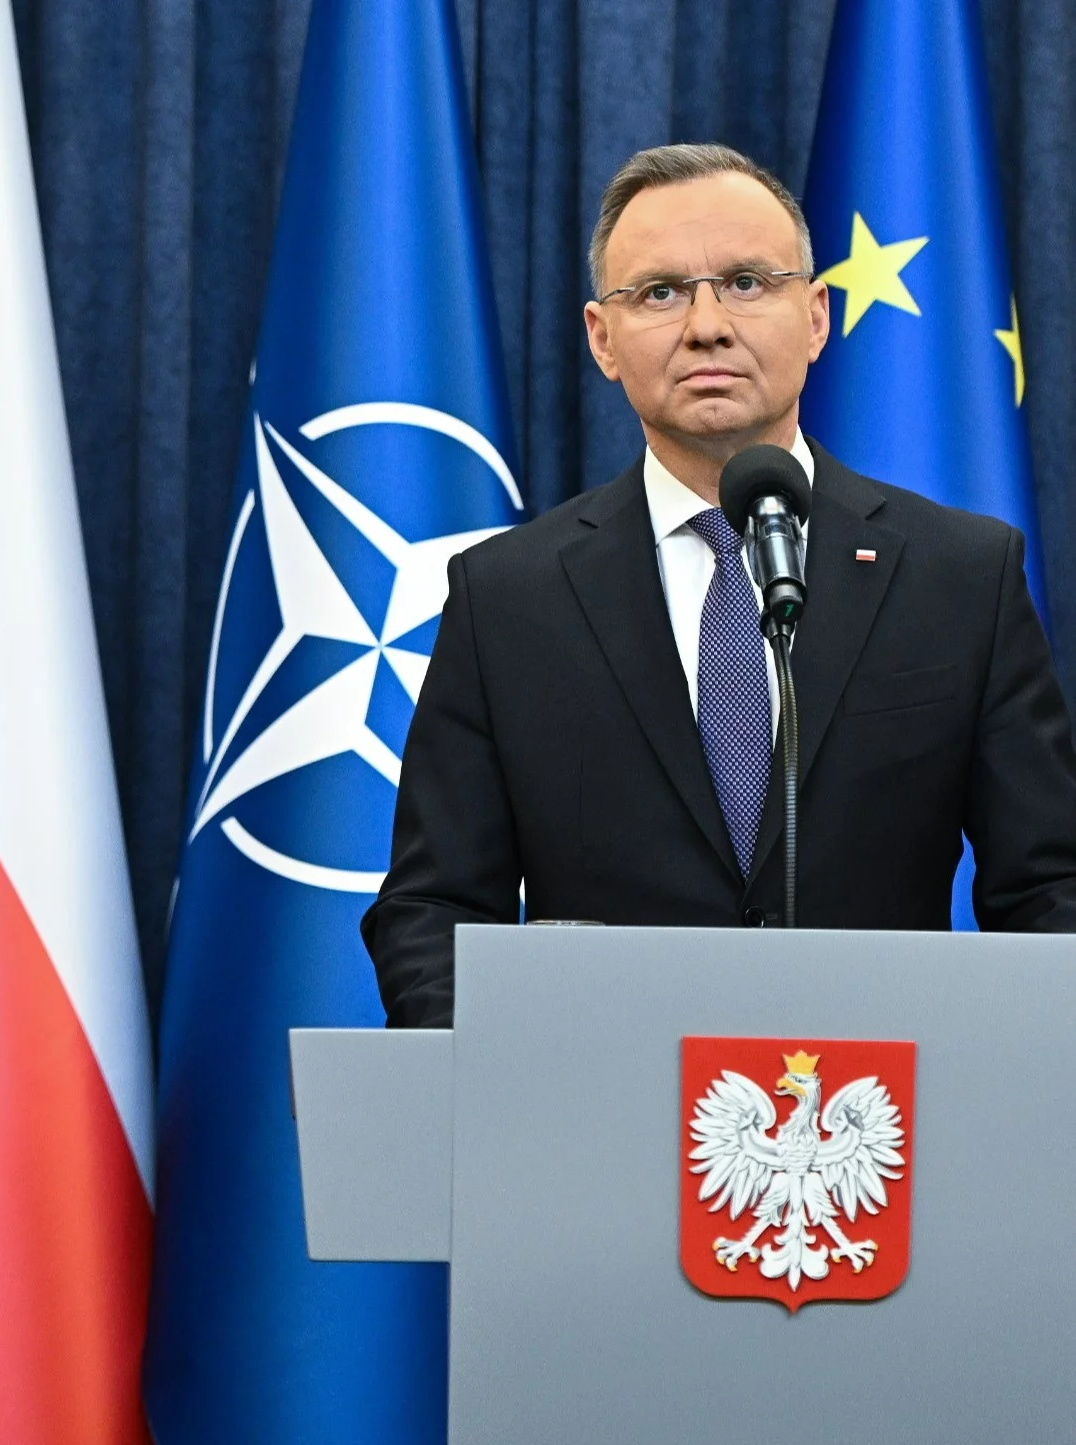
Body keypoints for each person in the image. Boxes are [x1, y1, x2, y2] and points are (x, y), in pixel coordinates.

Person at [367, 143, 1076, 1028]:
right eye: (659, 293)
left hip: (880, 1129)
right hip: (592, 1129)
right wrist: (489, 1097)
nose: (707, 324)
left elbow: (1050, 889)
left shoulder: (961, 575)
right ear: (602, 339)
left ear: (816, 317)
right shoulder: (507, 596)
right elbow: (432, 910)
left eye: (746, 282)